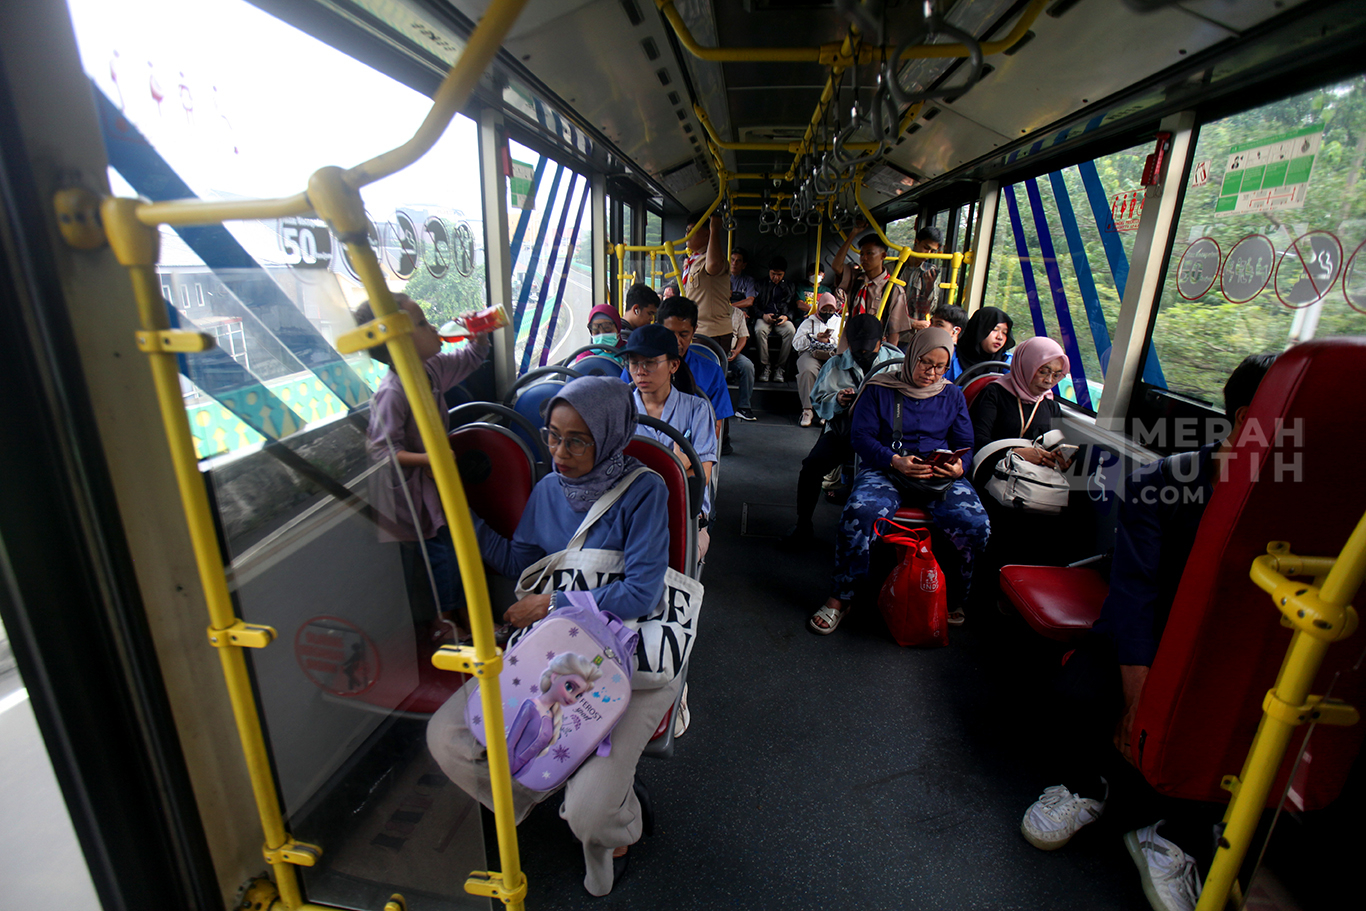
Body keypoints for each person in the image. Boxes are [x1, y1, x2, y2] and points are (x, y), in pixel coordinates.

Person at [1018, 354, 1278, 911]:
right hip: (1148, 629)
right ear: (1245, 416)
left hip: (1226, 646)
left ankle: (1173, 836)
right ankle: (1084, 788)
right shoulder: (1165, 482)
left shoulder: (1291, 496)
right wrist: (1140, 696)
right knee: (1083, 694)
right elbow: (1134, 597)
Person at [426, 377, 677, 898]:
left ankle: (620, 820)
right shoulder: (547, 490)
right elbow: (523, 564)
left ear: (608, 437)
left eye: (577, 440)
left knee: (589, 816)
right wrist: (459, 515)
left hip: (626, 659)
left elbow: (642, 595)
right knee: (447, 737)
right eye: (553, 436)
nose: (560, 453)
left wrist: (553, 604)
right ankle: (551, 783)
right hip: (554, 655)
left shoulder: (644, 491)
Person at [808, 328, 990, 634]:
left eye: (940, 367)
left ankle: (956, 596)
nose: (931, 373)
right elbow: (861, 438)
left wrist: (959, 468)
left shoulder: (952, 396)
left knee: (976, 524)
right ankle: (842, 596)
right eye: (924, 363)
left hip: (936, 474)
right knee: (859, 514)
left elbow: (966, 445)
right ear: (911, 358)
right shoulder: (880, 389)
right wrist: (894, 461)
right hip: (886, 466)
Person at [360, 294, 491, 640]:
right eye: (421, 324)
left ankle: (469, 619)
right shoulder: (393, 392)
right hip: (414, 496)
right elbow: (380, 452)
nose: (432, 327)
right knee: (442, 559)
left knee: (457, 550)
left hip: (437, 485)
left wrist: (479, 334)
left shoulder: (429, 370)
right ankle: (444, 623)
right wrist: (430, 458)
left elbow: (473, 357)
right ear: (399, 345)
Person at [968, 336, 1075, 616]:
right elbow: (978, 440)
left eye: (1056, 374)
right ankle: (988, 593)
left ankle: (1029, 594)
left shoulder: (1050, 405)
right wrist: (1017, 452)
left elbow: (1054, 443)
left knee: (1068, 516)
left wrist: (1060, 459)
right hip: (993, 473)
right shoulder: (995, 393)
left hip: (1031, 481)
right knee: (1009, 517)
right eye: (1043, 371)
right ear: (1027, 366)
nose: (1049, 379)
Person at [782, 313, 900, 547]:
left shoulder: (898, 363)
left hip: (885, 434)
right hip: (846, 431)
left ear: (881, 341)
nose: (862, 354)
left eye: (868, 349)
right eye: (858, 350)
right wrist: (838, 400)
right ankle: (803, 524)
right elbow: (817, 401)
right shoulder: (836, 364)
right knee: (811, 468)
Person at [623, 324, 718, 555]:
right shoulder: (619, 410)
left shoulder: (697, 409)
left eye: (650, 362)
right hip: (629, 510)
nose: (640, 371)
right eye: (634, 363)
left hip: (685, 510)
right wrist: (679, 466)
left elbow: (701, 477)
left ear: (673, 365)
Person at [620, 296, 734, 441]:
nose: (676, 341)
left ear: (694, 331)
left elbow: (715, 427)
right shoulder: (637, 368)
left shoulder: (711, 373)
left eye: (683, 335)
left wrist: (689, 458)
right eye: (669, 333)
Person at [830, 222, 913, 349]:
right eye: (862, 254)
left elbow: (894, 330)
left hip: (875, 347)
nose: (864, 258)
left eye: (869, 253)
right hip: (850, 342)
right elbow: (837, 266)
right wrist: (853, 234)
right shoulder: (856, 280)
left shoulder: (893, 290)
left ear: (883, 256)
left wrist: (887, 358)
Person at [681, 212, 732, 355]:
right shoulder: (694, 260)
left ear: (706, 234)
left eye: (692, 230)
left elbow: (714, 265)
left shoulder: (713, 260)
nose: (687, 234)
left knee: (707, 375)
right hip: (697, 329)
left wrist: (715, 230)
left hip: (712, 332)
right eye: (687, 230)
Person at [793, 292, 843, 427]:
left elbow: (843, 341)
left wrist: (829, 340)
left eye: (831, 310)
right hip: (811, 353)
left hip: (832, 354)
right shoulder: (809, 321)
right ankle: (807, 410)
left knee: (834, 372)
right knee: (808, 371)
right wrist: (814, 338)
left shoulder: (839, 321)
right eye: (824, 310)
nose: (828, 312)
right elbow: (796, 343)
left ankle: (828, 410)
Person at [753, 255, 798, 383]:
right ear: (769, 272)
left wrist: (787, 316)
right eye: (773, 274)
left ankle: (780, 367)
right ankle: (765, 366)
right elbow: (754, 305)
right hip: (764, 316)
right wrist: (762, 315)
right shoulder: (761, 284)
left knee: (790, 331)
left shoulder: (790, 286)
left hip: (781, 317)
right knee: (759, 330)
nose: (776, 278)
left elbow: (793, 306)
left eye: (779, 274)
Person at [953, 305, 1015, 380]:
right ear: (978, 329)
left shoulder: (1007, 363)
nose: (1000, 337)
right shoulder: (951, 357)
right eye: (995, 329)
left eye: (1005, 333)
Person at [904, 226, 945, 329]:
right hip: (890, 328)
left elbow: (930, 308)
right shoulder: (894, 268)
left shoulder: (930, 272)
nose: (928, 254)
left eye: (932, 251)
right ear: (916, 242)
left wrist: (929, 286)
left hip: (914, 332)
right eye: (926, 248)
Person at [727, 295, 756, 422]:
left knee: (747, 366)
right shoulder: (707, 311)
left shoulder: (737, 313)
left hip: (731, 353)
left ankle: (743, 407)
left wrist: (736, 351)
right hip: (712, 352)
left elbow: (743, 336)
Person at [930, 304, 967, 379]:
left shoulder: (958, 359)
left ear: (955, 331)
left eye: (939, 324)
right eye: (932, 323)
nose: (931, 327)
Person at [729, 247, 757, 314]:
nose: (734, 263)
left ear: (743, 265)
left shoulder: (748, 281)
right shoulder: (721, 278)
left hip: (740, 311)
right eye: (732, 259)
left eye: (738, 261)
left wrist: (731, 307)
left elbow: (749, 301)